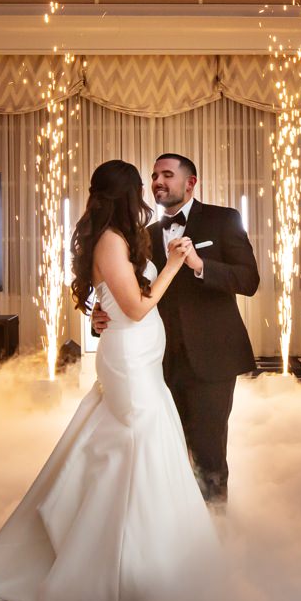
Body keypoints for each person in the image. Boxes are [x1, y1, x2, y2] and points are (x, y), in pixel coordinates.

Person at [0, 160, 218, 601]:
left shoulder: (118, 238)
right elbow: (139, 307)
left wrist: (100, 313)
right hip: (128, 359)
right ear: (126, 195)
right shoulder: (109, 240)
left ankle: (149, 554)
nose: (148, 193)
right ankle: (114, 566)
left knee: (140, 444)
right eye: (139, 188)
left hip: (139, 356)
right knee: (136, 442)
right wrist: (176, 265)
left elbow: (115, 300)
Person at [93, 153, 260, 504]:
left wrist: (200, 265)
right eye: (154, 175)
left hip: (211, 360)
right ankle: (176, 529)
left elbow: (249, 280)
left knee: (209, 454)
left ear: (191, 182)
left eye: (167, 174)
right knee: (164, 454)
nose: (158, 181)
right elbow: (129, 291)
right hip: (155, 365)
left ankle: (216, 533)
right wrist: (100, 312)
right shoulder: (142, 236)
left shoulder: (223, 219)